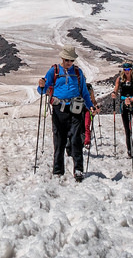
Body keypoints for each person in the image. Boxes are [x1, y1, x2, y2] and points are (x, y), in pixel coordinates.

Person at [37, 45, 96, 182]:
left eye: (71, 60)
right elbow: (43, 90)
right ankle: (58, 170)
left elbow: (84, 92)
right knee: (59, 140)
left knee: (76, 139)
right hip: (59, 110)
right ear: (62, 58)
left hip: (76, 109)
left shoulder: (78, 72)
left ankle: (78, 169)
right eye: (67, 60)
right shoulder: (54, 71)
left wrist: (90, 106)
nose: (69, 62)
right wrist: (40, 85)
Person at [111, 63, 133, 158]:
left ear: (131, 70)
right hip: (124, 104)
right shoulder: (119, 79)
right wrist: (114, 93)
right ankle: (129, 148)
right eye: (125, 69)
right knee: (127, 128)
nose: (127, 71)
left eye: (128, 69)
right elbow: (116, 89)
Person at [83, 82, 98, 147]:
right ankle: (85, 140)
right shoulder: (89, 87)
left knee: (86, 125)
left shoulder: (89, 88)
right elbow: (93, 99)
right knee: (85, 125)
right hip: (85, 108)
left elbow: (93, 98)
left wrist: (95, 106)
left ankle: (86, 141)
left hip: (88, 109)